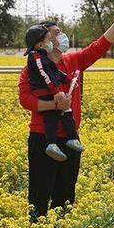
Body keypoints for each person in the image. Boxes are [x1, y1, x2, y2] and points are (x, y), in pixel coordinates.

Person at [19, 7, 114, 222]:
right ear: (44, 41)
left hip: (70, 138)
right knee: (40, 194)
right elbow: (25, 99)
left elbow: (99, 46)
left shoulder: (72, 62)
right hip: (43, 137)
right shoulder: (33, 68)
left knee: (66, 193)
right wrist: (53, 104)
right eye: (56, 33)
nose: (62, 37)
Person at [24, 24, 85, 162]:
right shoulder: (36, 58)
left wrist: (68, 79)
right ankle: (52, 144)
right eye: (49, 39)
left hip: (50, 90)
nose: (52, 41)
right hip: (43, 92)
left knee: (66, 112)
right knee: (52, 115)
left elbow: (55, 71)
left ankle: (71, 138)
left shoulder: (43, 55)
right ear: (40, 44)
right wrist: (56, 93)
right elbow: (45, 74)